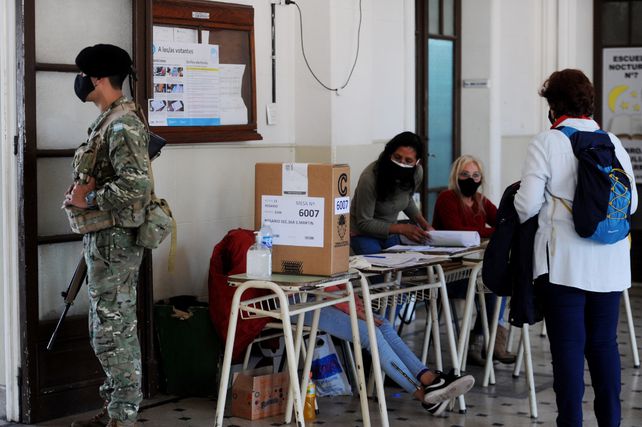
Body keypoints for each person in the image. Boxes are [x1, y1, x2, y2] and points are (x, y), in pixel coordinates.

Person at [514, 69, 637, 427]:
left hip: (564, 264)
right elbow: (630, 204)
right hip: (611, 264)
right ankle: (610, 422)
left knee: (567, 351)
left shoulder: (546, 142)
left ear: (553, 105)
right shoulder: (612, 141)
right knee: (604, 346)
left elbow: (526, 206)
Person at [64, 44, 152, 427]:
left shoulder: (121, 124)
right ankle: (114, 410)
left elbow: (137, 186)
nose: (80, 81)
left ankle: (122, 417)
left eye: (85, 74)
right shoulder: (110, 119)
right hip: (104, 239)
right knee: (106, 327)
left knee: (114, 330)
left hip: (115, 242)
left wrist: (91, 197)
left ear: (98, 79)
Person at [303, 295, 475, 417]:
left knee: (382, 325)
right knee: (372, 334)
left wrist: (355, 304)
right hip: (299, 300)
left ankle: (430, 380)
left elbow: (334, 274)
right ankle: (425, 396)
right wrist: (351, 308)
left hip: (326, 296)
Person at [433, 156, 515, 366]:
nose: (471, 179)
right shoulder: (446, 198)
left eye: (475, 175)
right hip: (448, 273)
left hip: (471, 270)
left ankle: (487, 339)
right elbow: (459, 231)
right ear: (456, 176)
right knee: (491, 286)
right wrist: (493, 231)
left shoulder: (479, 200)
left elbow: (502, 220)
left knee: (497, 282)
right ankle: (486, 340)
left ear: (481, 178)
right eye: (465, 175)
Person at [350, 131, 433, 255]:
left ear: (417, 162)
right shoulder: (370, 178)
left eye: (408, 161)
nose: (401, 163)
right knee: (379, 271)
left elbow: (407, 199)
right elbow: (364, 223)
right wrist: (402, 229)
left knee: (408, 266)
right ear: (389, 154)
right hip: (363, 234)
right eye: (397, 157)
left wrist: (425, 225)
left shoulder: (417, 173)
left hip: (390, 233)